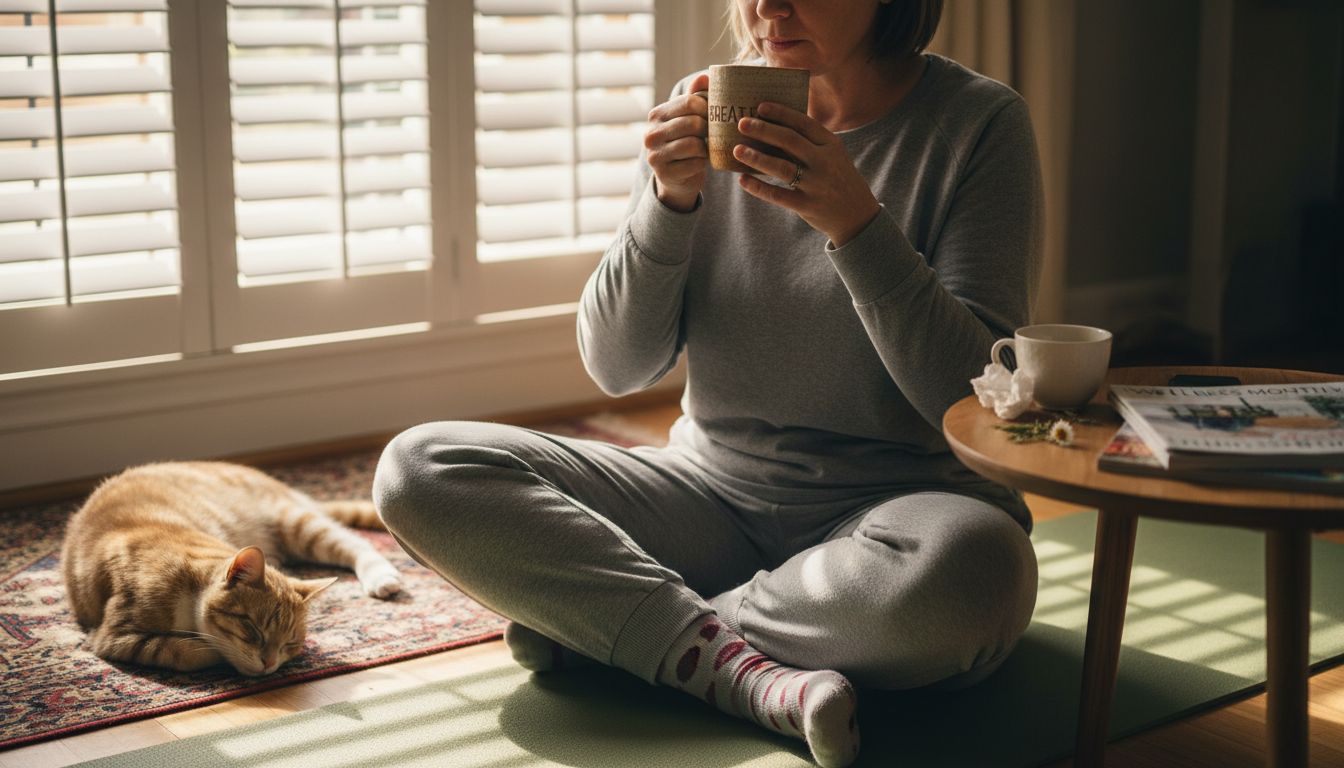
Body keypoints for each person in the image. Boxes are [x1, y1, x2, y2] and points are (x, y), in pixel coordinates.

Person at [373, 0, 1042, 765]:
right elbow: (619, 367)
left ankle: (625, 631)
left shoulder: (978, 124)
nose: (766, 7)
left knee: (975, 574)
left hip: (897, 518)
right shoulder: (709, 105)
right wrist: (667, 205)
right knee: (419, 467)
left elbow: (978, 398)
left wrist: (857, 226)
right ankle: (734, 666)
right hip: (709, 503)